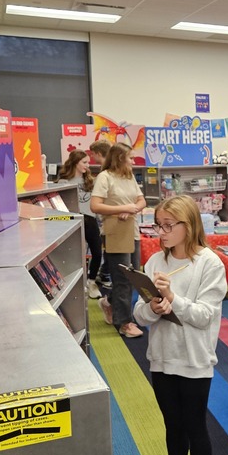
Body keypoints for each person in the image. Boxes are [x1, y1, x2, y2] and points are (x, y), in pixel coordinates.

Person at [133, 195, 226, 455]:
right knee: (172, 425)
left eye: (169, 226)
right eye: (158, 225)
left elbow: (204, 316)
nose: (162, 232)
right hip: (161, 357)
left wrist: (173, 298)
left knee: (194, 426)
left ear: (189, 226)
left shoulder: (209, 263)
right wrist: (152, 309)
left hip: (194, 360)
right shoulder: (155, 260)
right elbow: (139, 313)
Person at [91, 143, 146, 338]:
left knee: (133, 276)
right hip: (115, 232)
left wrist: (134, 208)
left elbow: (141, 200)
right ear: (119, 158)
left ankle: (109, 302)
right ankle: (124, 323)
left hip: (132, 231)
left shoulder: (129, 176)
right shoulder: (104, 177)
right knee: (122, 278)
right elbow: (95, 206)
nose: (133, 161)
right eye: (130, 157)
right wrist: (120, 210)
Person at [56, 150, 103, 299]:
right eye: (84, 162)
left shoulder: (91, 181)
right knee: (77, 254)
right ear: (76, 162)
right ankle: (79, 283)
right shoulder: (63, 181)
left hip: (90, 220)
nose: (87, 166)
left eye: (88, 162)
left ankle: (91, 281)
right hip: (73, 221)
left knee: (97, 252)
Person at [89, 140, 113, 288]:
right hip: (105, 217)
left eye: (92, 154)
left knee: (107, 248)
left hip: (106, 218)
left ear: (98, 153)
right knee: (106, 248)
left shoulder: (105, 173)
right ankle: (104, 273)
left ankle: (104, 273)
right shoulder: (105, 172)